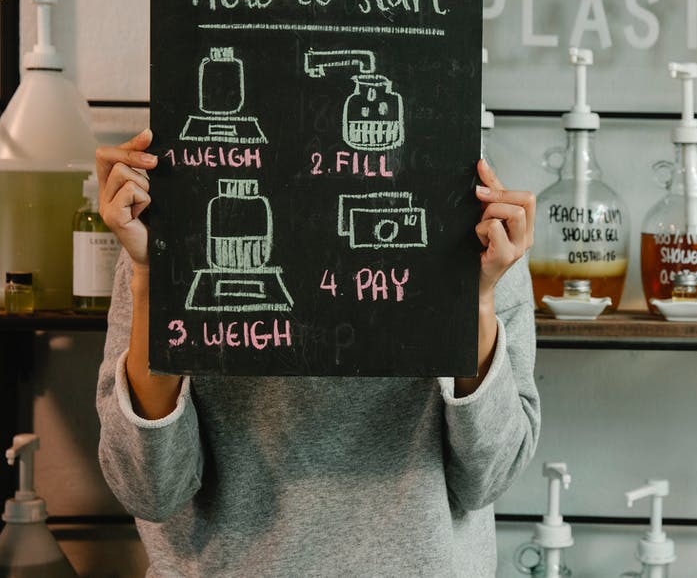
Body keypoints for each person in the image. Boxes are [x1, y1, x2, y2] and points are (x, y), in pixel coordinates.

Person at [94, 129, 539, 576]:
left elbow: (489, 478)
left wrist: (475, 302)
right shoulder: (169, 218)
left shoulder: (478, 226)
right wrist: (156, 280)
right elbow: (148, 490)